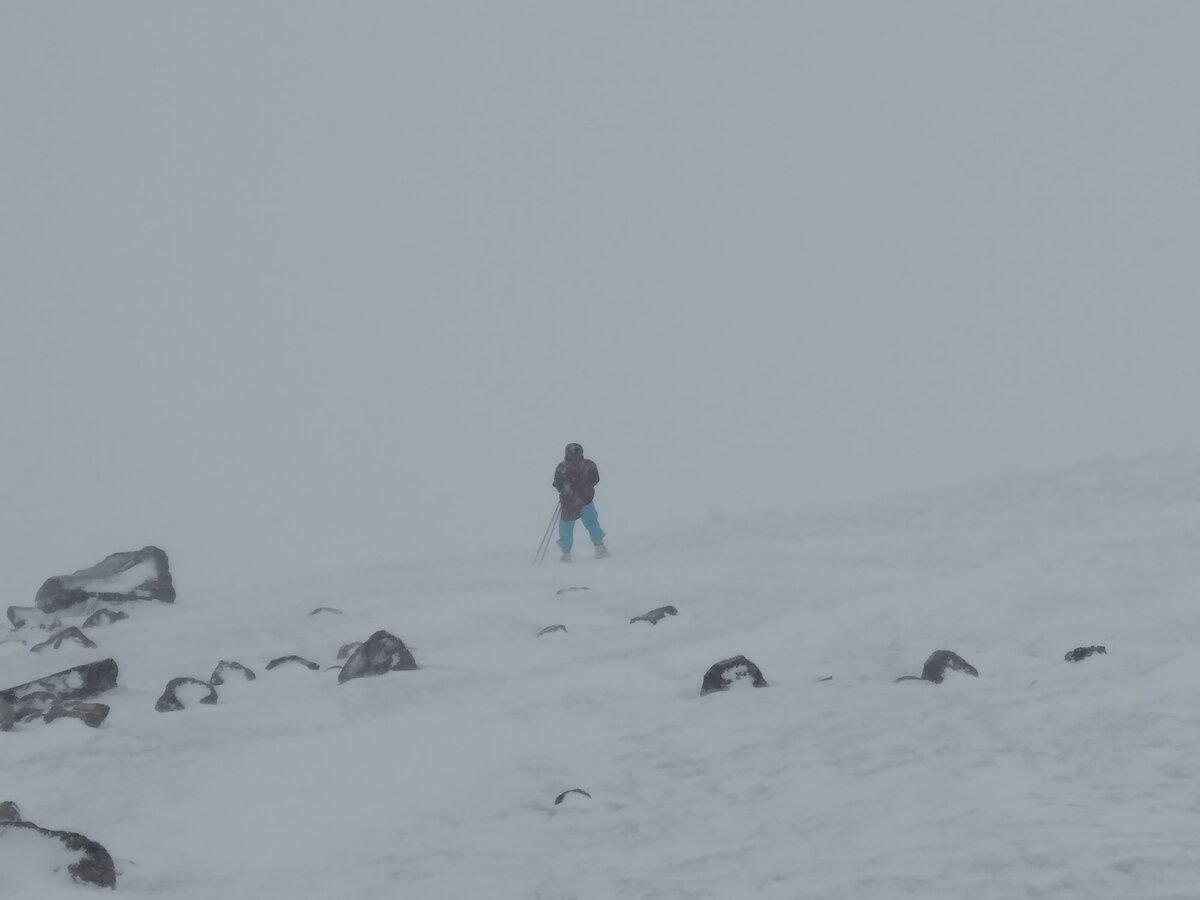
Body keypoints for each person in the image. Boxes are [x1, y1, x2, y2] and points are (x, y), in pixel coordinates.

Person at [552, 443, 607, 562]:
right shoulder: (562, 469)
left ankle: (599, 547)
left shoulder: (589, 467)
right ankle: (566, 554)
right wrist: (568, 491)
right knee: (566, 528)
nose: (575, 464)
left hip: (585, 501)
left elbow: (595, 480)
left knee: (592, 523)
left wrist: (581, 494)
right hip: (569, 503)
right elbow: (557, 484)